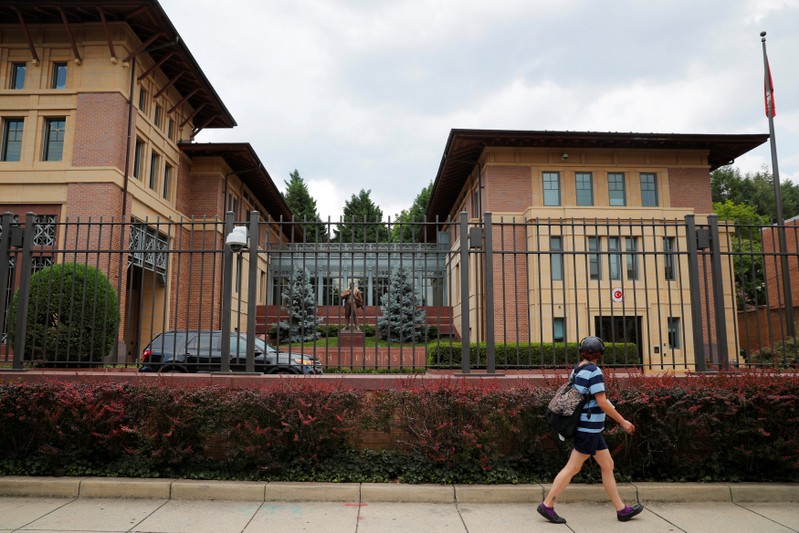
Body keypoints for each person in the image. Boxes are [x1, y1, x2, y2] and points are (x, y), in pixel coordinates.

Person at [537, 336, 644, 525]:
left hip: (591, 428)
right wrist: (623, 421)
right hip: (589, 429)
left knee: (607, 465)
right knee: (573, 467)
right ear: (600, 354)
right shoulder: (594, 372)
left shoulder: (577, 369)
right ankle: (547, 504)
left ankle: (622, 510)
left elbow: (589, 398)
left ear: (583, 352)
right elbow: (601, 401)